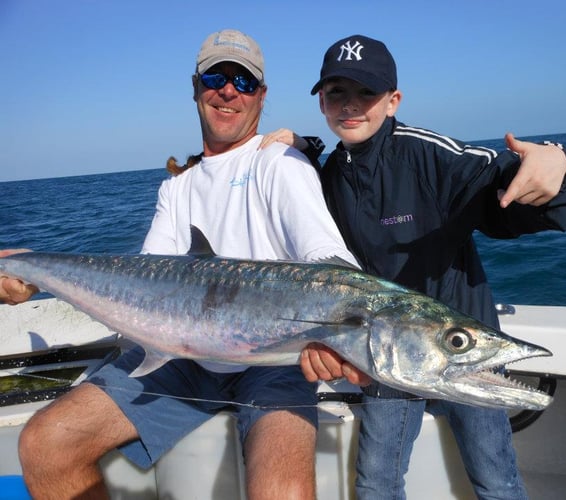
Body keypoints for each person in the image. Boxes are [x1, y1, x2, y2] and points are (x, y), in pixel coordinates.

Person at [4, 29, 358, 500]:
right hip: (182, 355)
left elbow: (328, 262)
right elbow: (146, 280)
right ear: (196, 87)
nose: (228, 90)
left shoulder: (281, 164)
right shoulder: (177, 186)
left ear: (261, 96)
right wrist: (31, 273)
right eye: (216, 76)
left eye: (244, 82)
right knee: (45, 443)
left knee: (284, 491)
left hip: (277, 358)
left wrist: (340, 331)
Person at [291, 34, 566, 499]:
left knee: (497, 482)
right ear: (322, 103)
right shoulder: (323, 177)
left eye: (366, 92)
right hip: (383, 358)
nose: (351, 105)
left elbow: (496, 184)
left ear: (393, 101)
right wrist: (298, 150)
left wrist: (555, 161)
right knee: (376, 485)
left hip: (462, 353)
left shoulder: (427, 153)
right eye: (337, 93)